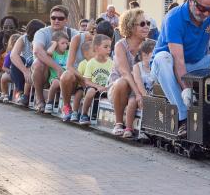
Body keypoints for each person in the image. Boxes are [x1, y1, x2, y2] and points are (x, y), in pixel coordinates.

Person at [151, 0, 210, 137]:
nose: (206, 14)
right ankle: (183, 117)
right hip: (168, 67)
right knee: (163, 58)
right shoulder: (173, 18)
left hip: (195, 62)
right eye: (202, 8)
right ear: (192, 1)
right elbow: (177, 60)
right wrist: (185, 88)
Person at [107, 8, 150, 136]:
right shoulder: (121, 45)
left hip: (141, 88)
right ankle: (119, 122)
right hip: (120, 89)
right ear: (131, 27)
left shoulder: (150, 45)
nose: (146, 27)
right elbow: (125, 72)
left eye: (148, 23)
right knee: (122, 81)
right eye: (142, 24)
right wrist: (138, 94)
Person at [60, 20, 113, 121]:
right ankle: (66, 107)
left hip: (95, 79)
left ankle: (84, 113)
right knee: (67, 75)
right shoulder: (78, 39)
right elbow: (69, 66)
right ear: (95, 33)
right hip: (77, 77)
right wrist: (84, 80)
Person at [31, 5, 78, 113]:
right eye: (53, 18)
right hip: (46, 73)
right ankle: (40, 100)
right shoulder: (42, 32)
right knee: (38, 63)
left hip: (66, 72)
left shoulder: (73, 33)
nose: (56, 20)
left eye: (60, 18)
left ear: (66, 20)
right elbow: (37, 51)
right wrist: (57, 68)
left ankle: (66, 106)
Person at [9, 19, 46, 106]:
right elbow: (13, 55)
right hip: (24, 67)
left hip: (37, 66)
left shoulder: (44, 39)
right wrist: (25, 71)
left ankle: (29, 94)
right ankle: (20, 93)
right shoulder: (23, 39)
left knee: (34, 63)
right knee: (17, 61)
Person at [79, 34, 113, 126]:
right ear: (97, 48)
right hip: (94, 88)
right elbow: (87, 81)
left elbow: (113, 79)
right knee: (90, 91)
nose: (109, 49)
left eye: (110, 46)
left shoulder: (111, 63)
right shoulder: (91, 63)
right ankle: (84, 114)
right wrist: (98, 86)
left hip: (106, 89)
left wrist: (108, 87)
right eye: (105, 47)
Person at [44, 31, 70, 113]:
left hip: (65, 79)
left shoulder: (68, 53)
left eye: (66, 43)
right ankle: (49, 102)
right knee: (56, 83)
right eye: (62, 43)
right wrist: (54, 44)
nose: (65, 45)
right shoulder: (54, 54)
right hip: (55, 78)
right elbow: (49, 52)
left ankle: (64, 107)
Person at [0, 33, 21, 103]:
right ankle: (5, 94)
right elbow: (4, 67)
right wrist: (10, 71)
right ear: (11, 44)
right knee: (3, 77)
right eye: (14, 43)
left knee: (19, 81)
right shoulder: (9, 54)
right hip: (11, 73)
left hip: (21, 75)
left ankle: (17, 96)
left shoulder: (23, 53)